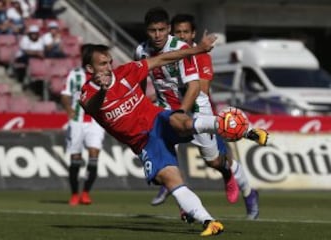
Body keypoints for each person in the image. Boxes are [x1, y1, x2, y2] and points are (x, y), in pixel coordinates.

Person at [78, 36, 268, 236]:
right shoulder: (87, 92)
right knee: (170, 180)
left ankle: (246, 131)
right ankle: (209, 222)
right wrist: (103, 90)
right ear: (90, 69)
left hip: (158, 121)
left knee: (180, 121)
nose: (108, 67)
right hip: (145, 143)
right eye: (102, 64)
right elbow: (91, 107)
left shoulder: (127, 72)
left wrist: (199, 49)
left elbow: (163, 59)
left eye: (109, 62)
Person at [134, 8, 260, 220]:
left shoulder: (187, 52)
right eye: (152, 30)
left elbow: (198, 88)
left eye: (161, 30)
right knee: (159, 155)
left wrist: (182, 115)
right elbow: (139, 79)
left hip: (196, 110)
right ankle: (183, 202)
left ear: (170, 30)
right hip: (167, 110)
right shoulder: (141, 51)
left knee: (214, 161)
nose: (157, 35)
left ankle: (234, 179)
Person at [61, 44, 105, 206]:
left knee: (94, 154)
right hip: (77, 122)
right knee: (76, 158)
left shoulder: (101, 75)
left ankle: (85, 192)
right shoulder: (75, 74)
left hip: (95, 122)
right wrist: (68, 109)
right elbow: (65, 95)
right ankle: (74, 194)